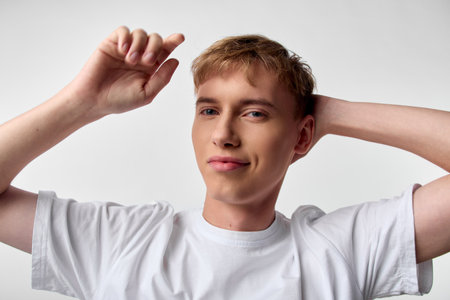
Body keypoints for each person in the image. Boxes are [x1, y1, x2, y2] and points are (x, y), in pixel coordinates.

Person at [0, 26, 448, 299]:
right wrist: (84, 102)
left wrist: (326, 112)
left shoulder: (342, 251)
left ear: (302, 136)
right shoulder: (119, 243)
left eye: (254, 113)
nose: (223, 134)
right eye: (209, 110)